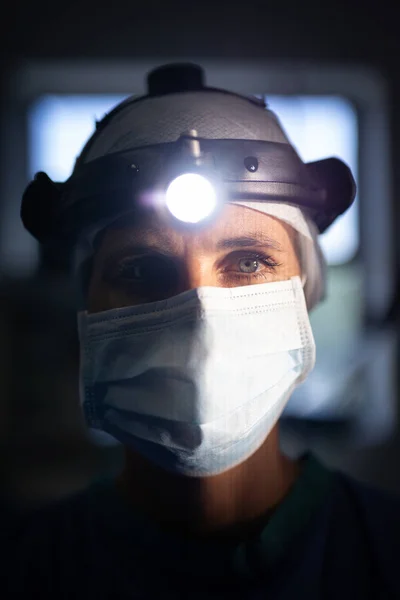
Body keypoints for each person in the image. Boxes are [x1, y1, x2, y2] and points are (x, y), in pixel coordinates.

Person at [4, 63, 400, 599]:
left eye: (249, 263)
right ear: (87, 312)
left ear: (305, 296)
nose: (199, 316)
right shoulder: (26, 568)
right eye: (140, 270)